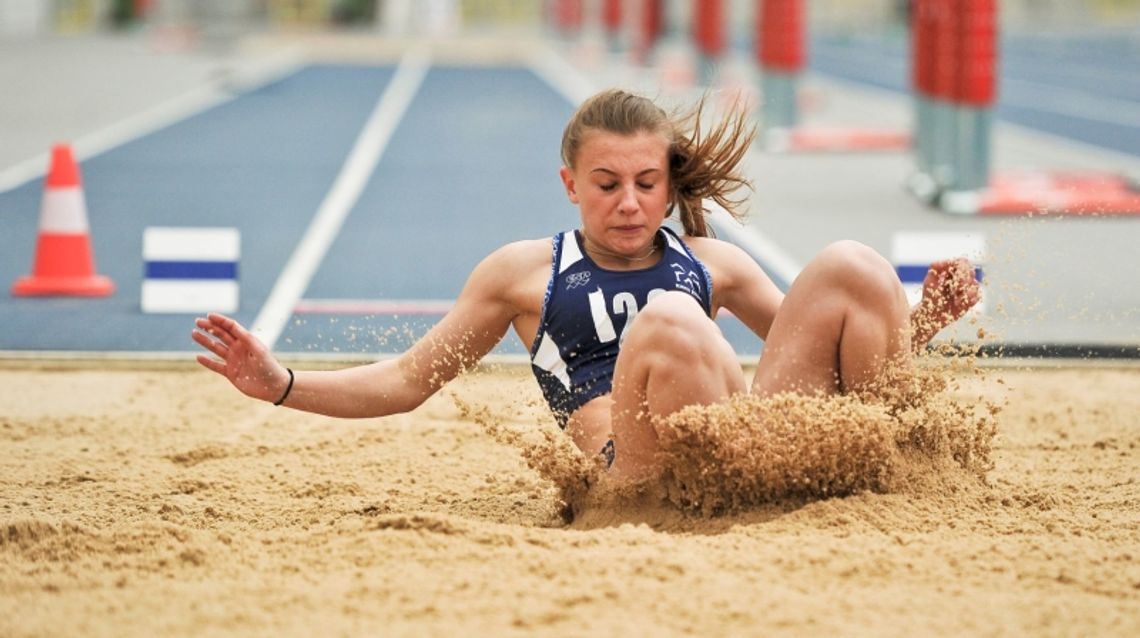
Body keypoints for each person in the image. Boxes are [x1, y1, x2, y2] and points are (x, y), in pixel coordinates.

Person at [192, 89, 980, 482]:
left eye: (645, 182)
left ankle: (890, 468)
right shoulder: (523, 275)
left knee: (852, 263)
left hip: (747, 448)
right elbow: (406, 380)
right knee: (672, 320)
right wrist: (282, 383)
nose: (629, 203)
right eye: (606, 184)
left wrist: (927, 322)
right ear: (570, 184)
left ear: (669, 188)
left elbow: (831, 364)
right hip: (636, 477)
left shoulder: (716, 264)